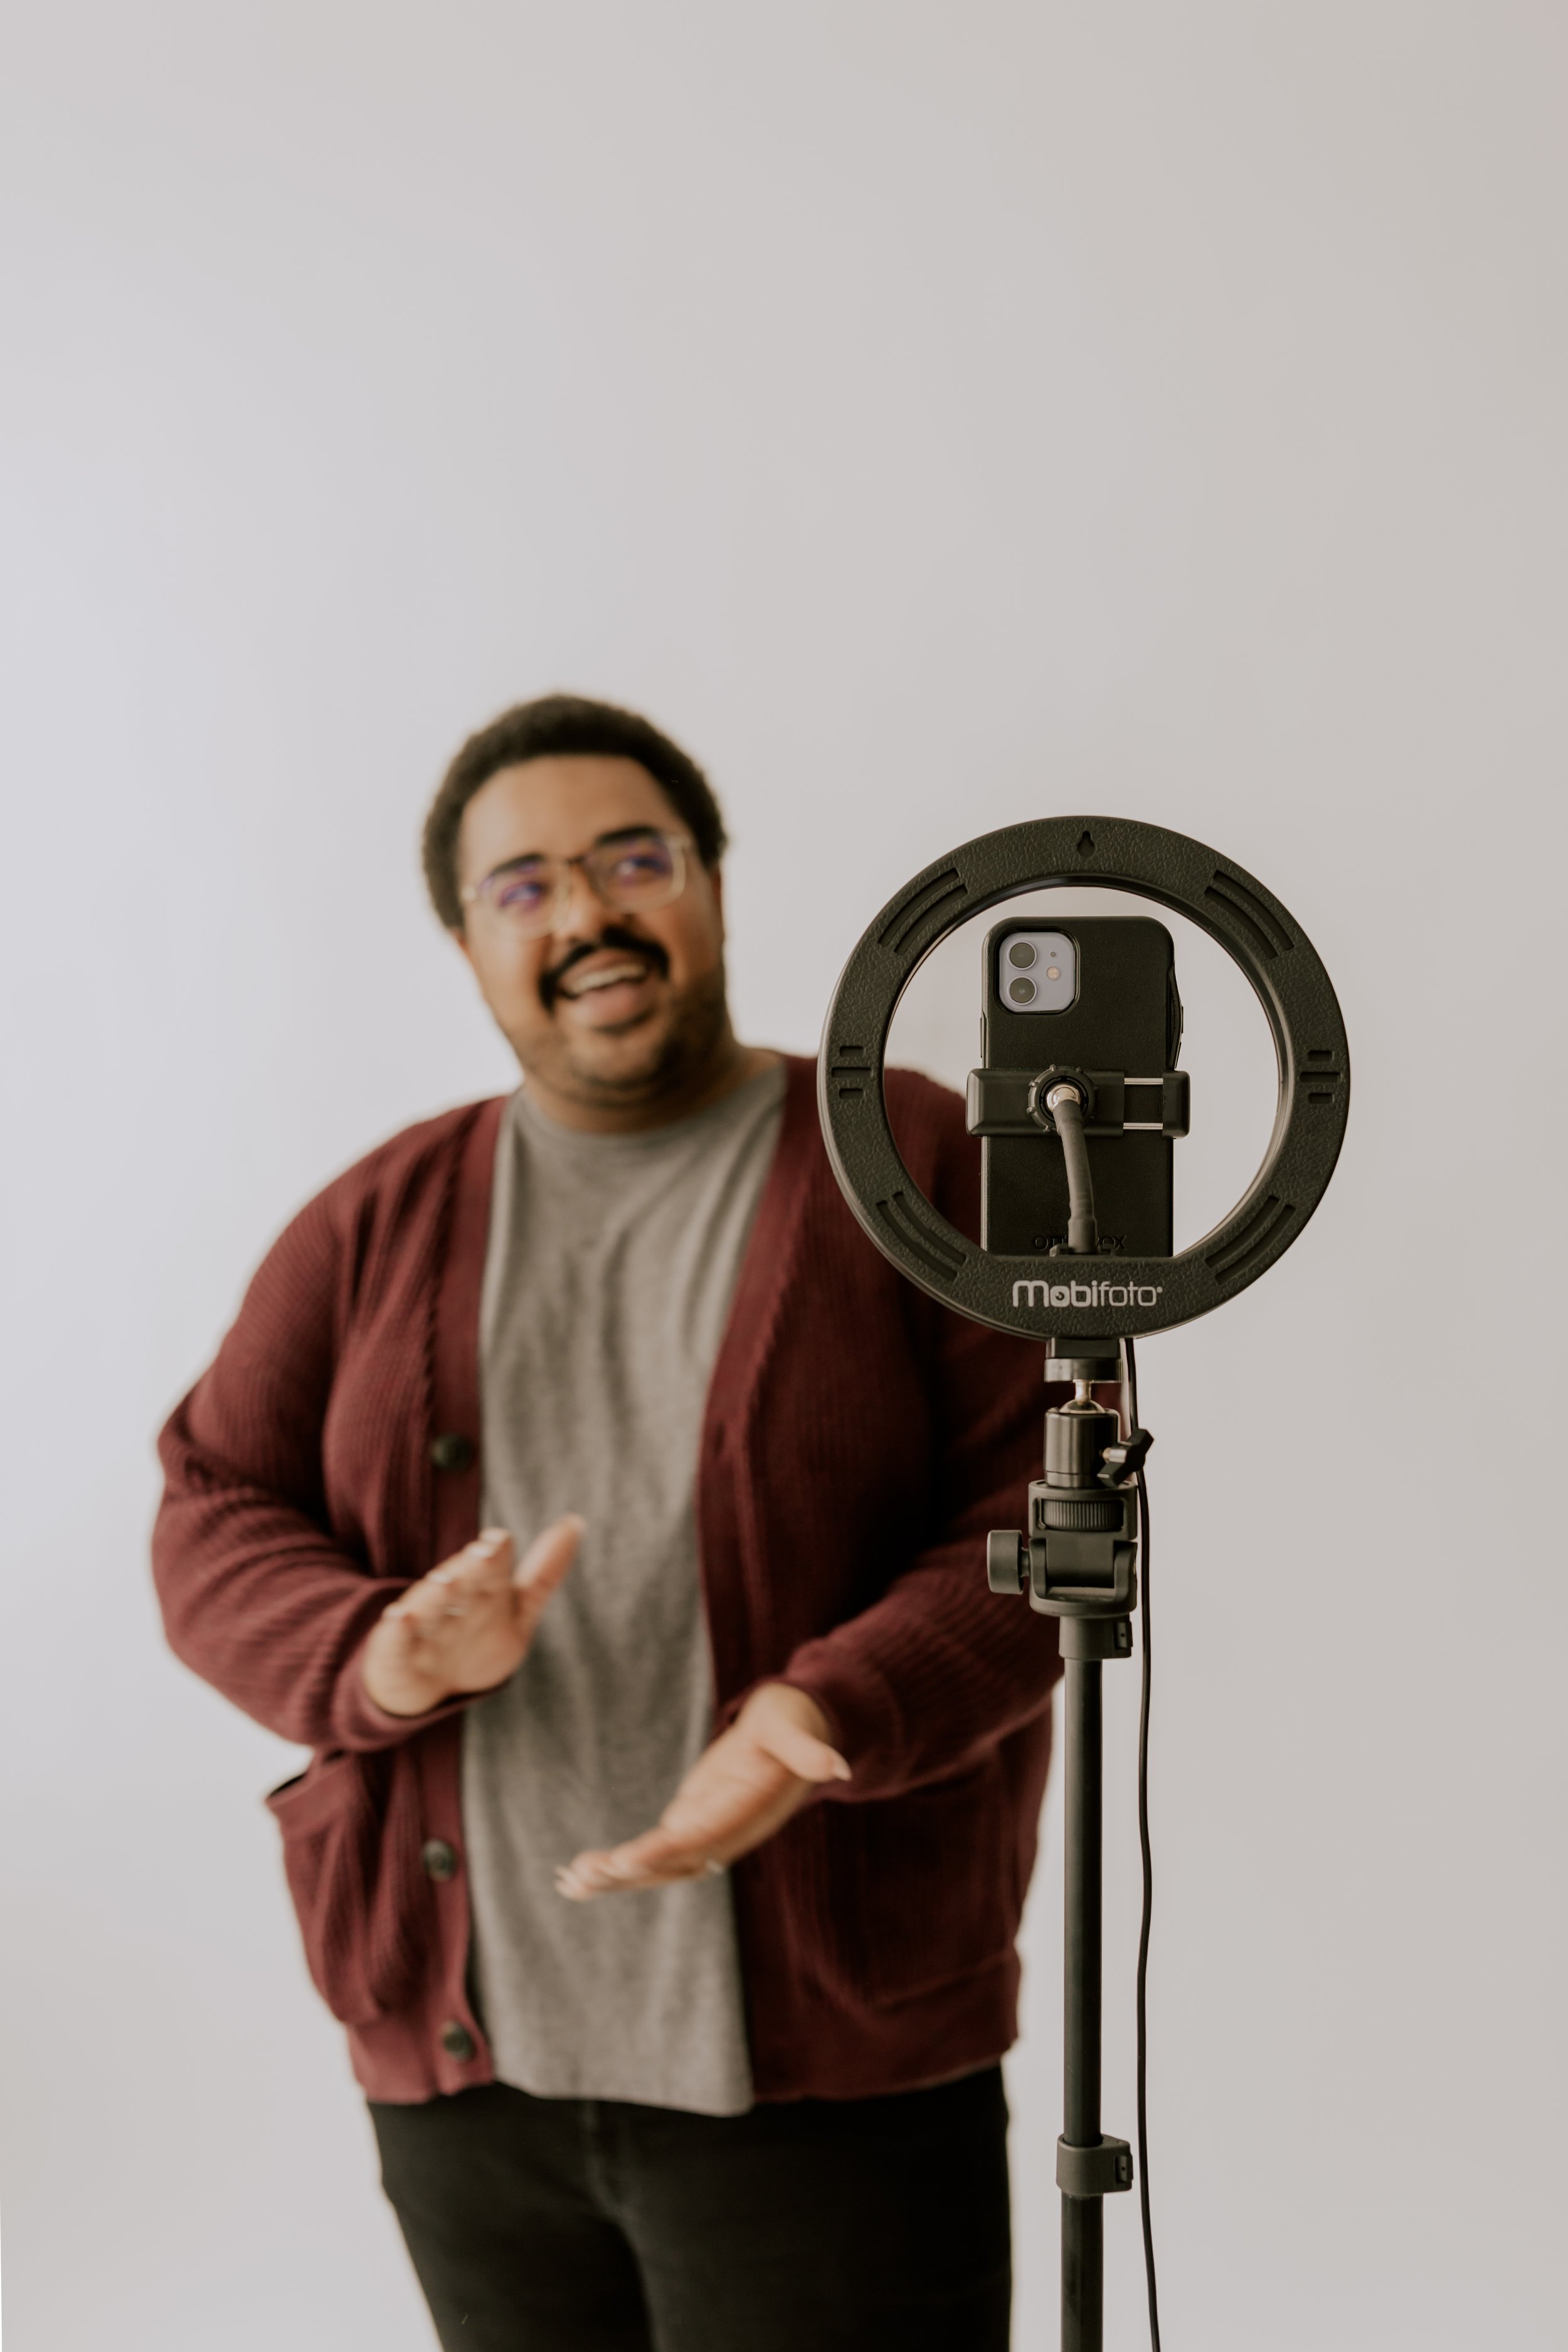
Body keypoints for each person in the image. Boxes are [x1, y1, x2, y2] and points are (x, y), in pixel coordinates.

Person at [152, 693, 1060, 2352]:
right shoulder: (374, 1218)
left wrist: (812, 1718)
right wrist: (379, 1649)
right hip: (467, 2086)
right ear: (466, 939)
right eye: (525, 885)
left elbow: (1043, 1523)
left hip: (832, 2076)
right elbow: (211, 1506)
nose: (584, 914)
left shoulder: (909, 1155)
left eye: (631, 858)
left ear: (707, 882)